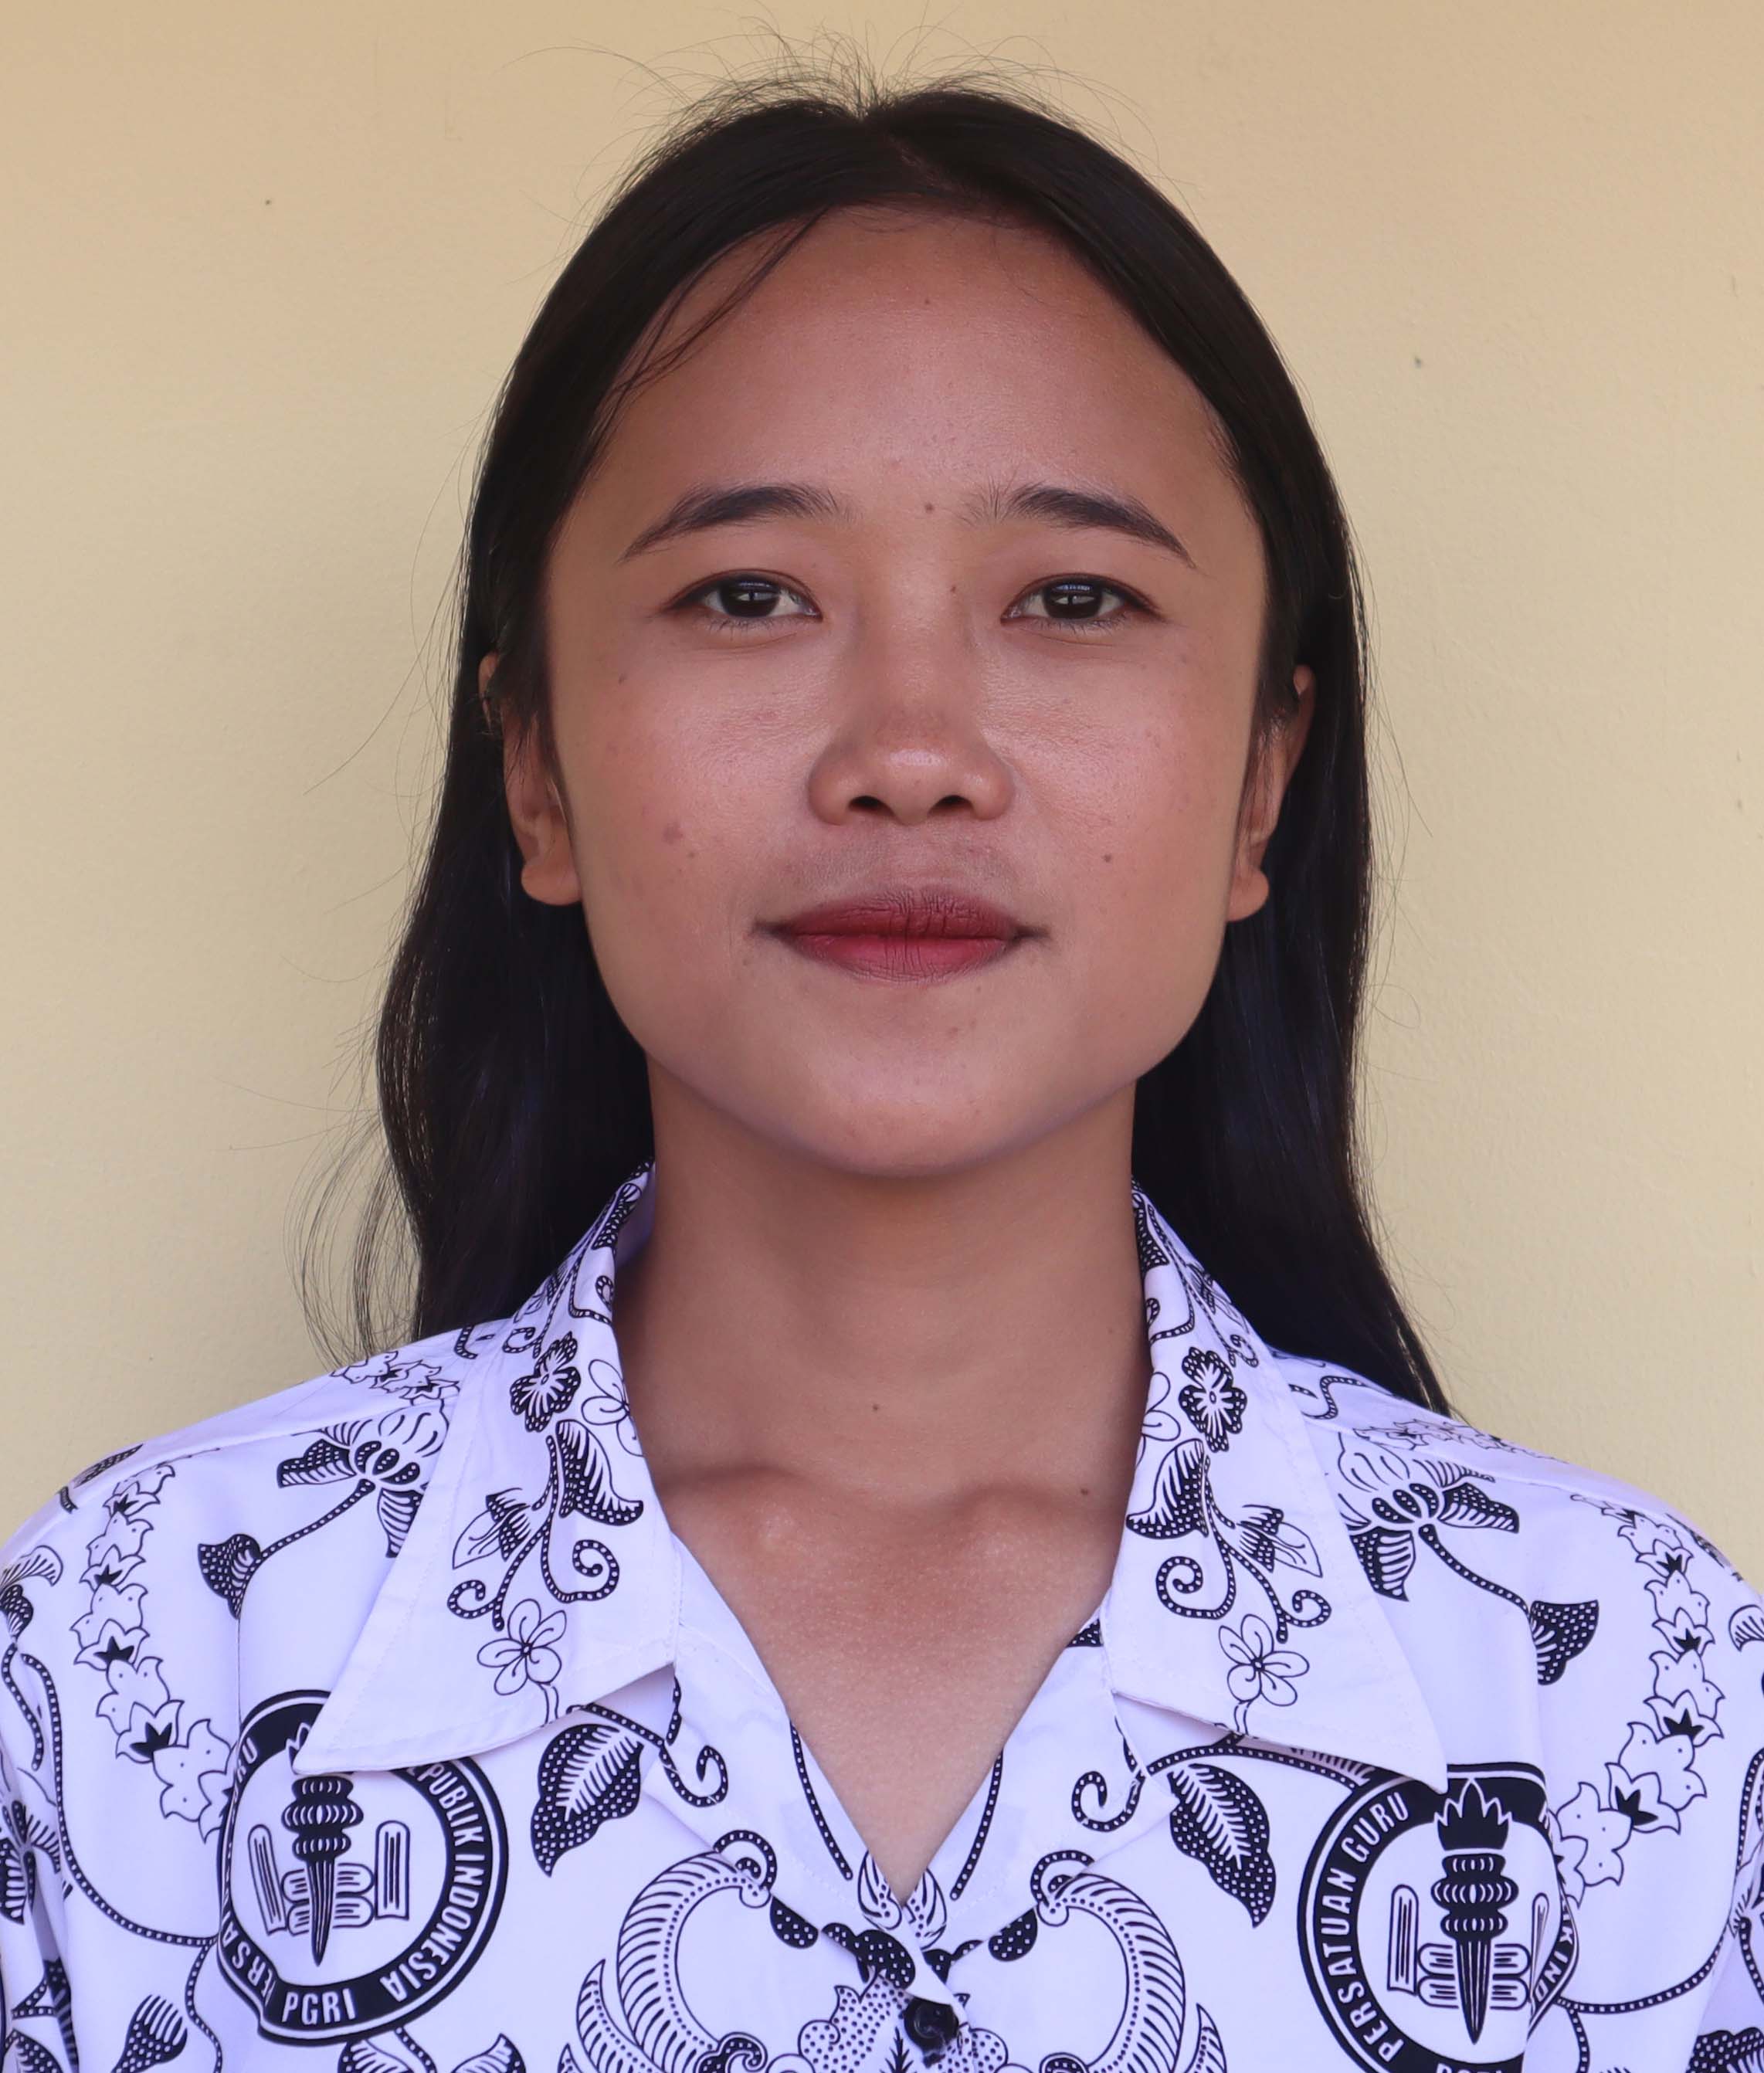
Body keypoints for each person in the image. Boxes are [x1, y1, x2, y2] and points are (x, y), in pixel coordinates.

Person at [2, 59, 1759, 2073]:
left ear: (1263, 778)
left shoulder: (1631, 1699)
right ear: (535, 769)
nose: (910, 751)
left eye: (1073, 599)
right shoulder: (134, 1666)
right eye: (747, 595)